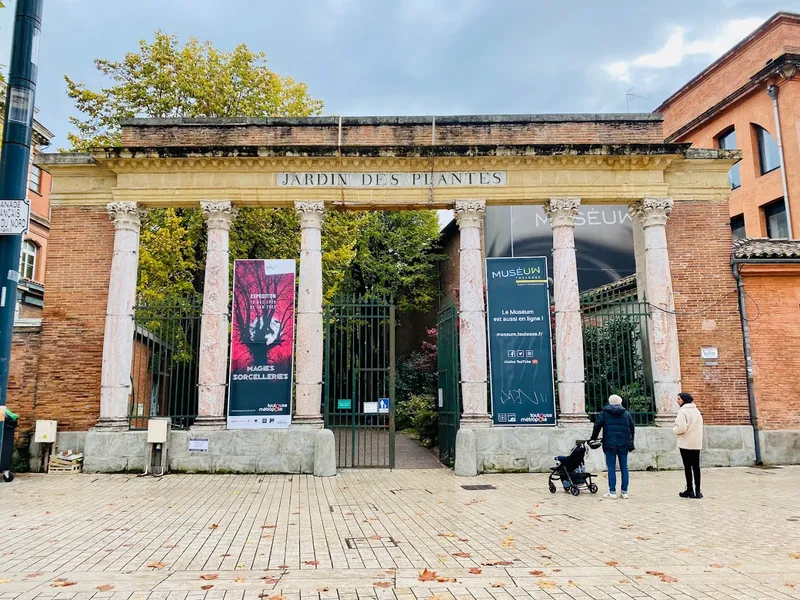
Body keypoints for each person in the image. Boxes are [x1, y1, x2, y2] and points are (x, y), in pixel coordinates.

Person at [590, 394, 635, 499]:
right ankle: (624, 492)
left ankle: (612, 491)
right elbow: (632, 428)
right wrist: (630, 441)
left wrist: (593, 438)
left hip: (609, 443)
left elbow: (597, 425)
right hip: (623, 444)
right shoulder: (626, 414)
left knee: (611, 467)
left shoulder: (604, 413)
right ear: (620, 402)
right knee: (624, 467)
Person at [673, 392, 704, 499]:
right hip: (696, 443)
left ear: (684, 400)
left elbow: (681, 427)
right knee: (696, 467)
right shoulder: (696, 411)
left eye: (679, 399)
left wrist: (674, 430)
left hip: (685, 443)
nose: (677, 401)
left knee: (687, 467)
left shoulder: (682, 412)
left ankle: (690, 490)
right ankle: (698, 491)